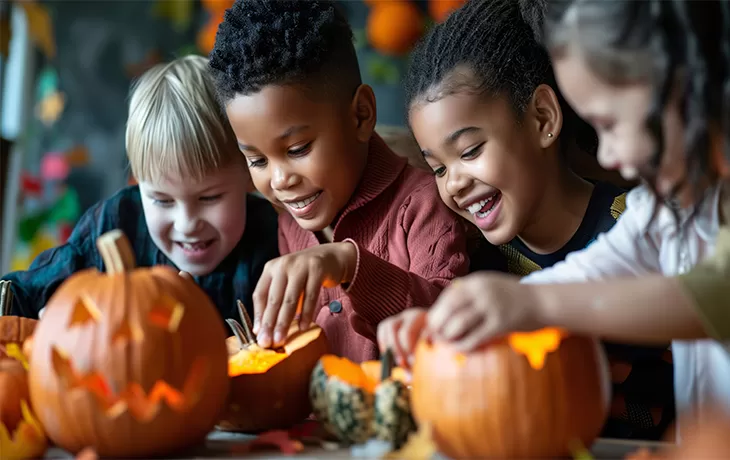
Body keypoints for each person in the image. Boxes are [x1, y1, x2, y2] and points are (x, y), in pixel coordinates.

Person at [399, 0, 730, 434]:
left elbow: (710, 295)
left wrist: (530, 302)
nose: (606, 154)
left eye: (609, 124)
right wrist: (457, 321)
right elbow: (589, 273)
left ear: (681, 91)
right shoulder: (664, 212)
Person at [208, 0, 478, 362]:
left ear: (361, 115)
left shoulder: (423, 205)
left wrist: (349, 264)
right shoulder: (291, 224)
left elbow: (449, 327)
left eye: (298, 148)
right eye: (256, 159)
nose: (279, 179)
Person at [1, 55, 279, 323]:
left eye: (209, 198)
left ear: (248, 174)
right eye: (162, 200)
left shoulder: (272, 235)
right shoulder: (114, 224)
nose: (187, 224)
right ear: (138, 181)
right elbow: (23, 293)